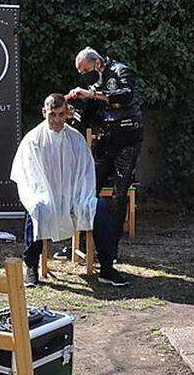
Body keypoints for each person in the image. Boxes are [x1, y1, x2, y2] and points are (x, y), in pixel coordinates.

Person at [11, 94, 119, 288]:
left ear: (67, 113)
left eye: (61, 114)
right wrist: (46, 198)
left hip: (74, 198)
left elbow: (85, 172)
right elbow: (29, 177)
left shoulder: (76, 139)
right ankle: (31, 268)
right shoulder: (33, 140)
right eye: (52, 114)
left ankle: (106, 268)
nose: (57, 120)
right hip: (44, 196)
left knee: (100, 208)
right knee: (36, 208)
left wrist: (80, 197)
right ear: (44, 113)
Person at [59, 47, 142, 287]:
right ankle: (80, 244)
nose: (85, 75)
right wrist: (70, 111)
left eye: (85, 70)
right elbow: (88, 117)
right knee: (87, 190)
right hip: (106, 140)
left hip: (127, 138)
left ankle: (109, 256)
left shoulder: (121, 71)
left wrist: (91, 94)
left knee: (117, 197)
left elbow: (125, 96)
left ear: (96, 62)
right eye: (81, 73)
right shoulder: (96, 84)